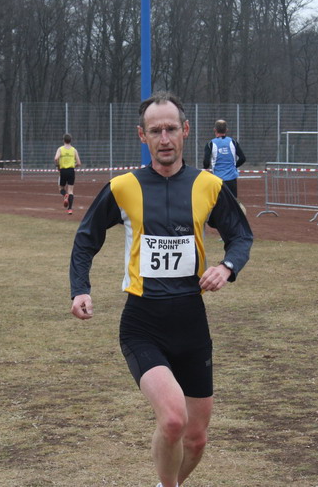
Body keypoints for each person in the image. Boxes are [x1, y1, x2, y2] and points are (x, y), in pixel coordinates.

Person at [69, 92, 253, 487]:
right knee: (172, 419)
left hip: (192, 324)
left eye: (171, 129)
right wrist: (80, 288)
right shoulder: (123, 187)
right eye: (155, 131)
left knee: (196, 438)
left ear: (186, 131)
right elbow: (86, 239)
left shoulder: (208, 186)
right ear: (143, 135)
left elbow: (241, 236)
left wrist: (227, 267)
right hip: (143, 323)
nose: (164, 138)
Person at [202, 119, 246, 198]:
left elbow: (206, 163)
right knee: (232, 202)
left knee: (219, 203)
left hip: (217, 180)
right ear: (226, 130)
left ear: (215, 129)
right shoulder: (233, 142)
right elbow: (242, 158)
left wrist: (206, 167)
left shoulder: (210, 144)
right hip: (232, 179)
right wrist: (234, 166)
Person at [54, 133, 82, 215]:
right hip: (71, 171)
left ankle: (65, 195)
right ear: (71, 140)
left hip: (63, 171)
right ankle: (70, 209)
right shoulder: (74, 150)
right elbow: (79, 163)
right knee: (71, 190)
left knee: (61, 188)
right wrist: (73, 166)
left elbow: (56, 158)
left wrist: (58, 166)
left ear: (63, 140)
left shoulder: (60, 149)